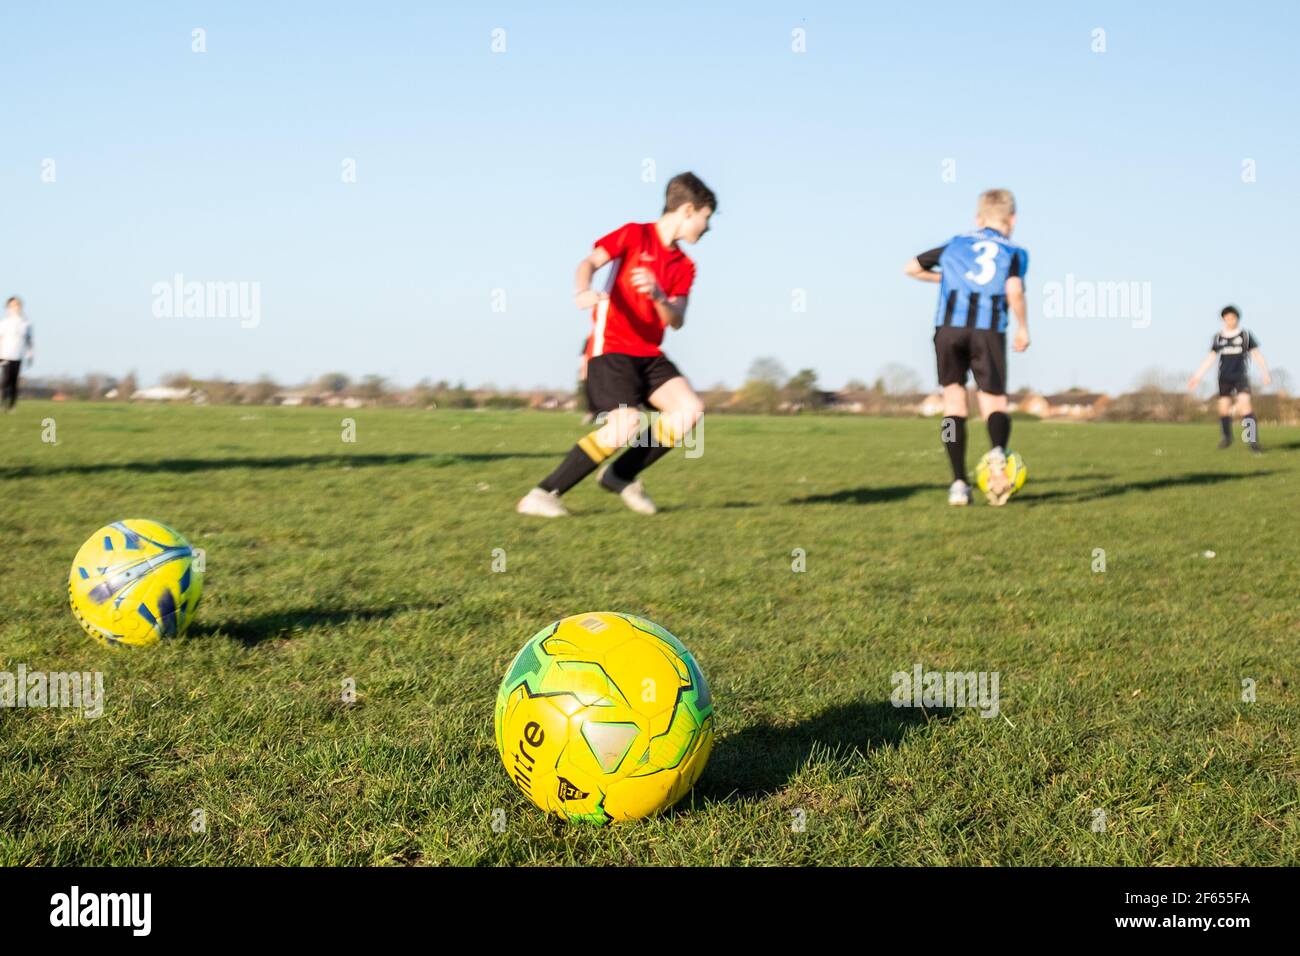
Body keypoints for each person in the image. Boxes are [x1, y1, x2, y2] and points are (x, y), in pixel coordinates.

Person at [517, 172, 715, 517]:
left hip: (649, 354)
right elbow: (589, 262)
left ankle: (620, 474)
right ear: (687, 210)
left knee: (690, 410)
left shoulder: (684, 266)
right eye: (705, 217)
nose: (707, 226)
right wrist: (582, 291)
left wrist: (657, 296)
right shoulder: (633, 235)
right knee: (625, 425)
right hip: (612, 349)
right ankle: (542, 494)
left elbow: (677, 319)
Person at [905, 190, 1030, 506]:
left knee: (953, 404)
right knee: (993, 401)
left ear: (978, 218)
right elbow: (1013, 290)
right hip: (987, 330)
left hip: (948, 330)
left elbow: (911, 268)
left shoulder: (956, 243)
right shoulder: (1014, 251)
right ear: (1011, 219)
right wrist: (1023, 327)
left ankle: (959, 483)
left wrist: (947, 280)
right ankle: (998, 452)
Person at [1187, 305, 1272, 453]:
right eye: (1226, 318)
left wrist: (1265, 372)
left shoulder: (1244, 335)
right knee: (1223, 408)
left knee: (1245, 406)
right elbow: (1211, 357)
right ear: (1223, 319)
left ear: (1237, 318)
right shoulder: (1219, 337)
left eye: (1232, 318)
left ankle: (1252, 441)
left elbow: (1256, 354)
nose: (1229, 321)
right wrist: (1197, 376)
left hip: (1240, 376)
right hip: (1224, 377)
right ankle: (1227, 438)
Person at [0, 296, 35, 411]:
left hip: (18, 355)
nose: (14, 308)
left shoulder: (26, 323)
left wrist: (30, 354)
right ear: (8, 308)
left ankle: (12, 406)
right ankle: (3, 402)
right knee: (5, 380)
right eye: (12, 306)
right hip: (5, 354)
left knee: (14, 381)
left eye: (16, 305)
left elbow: (29, 340)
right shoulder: (4, 323)